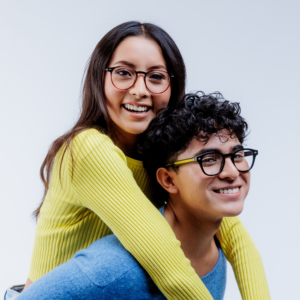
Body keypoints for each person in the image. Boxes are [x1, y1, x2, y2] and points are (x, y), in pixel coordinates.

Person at [18, 21, 269, 299]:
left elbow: (236, 239)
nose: (140, 90)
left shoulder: (165, 151)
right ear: (99, 79)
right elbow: (166, 260)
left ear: (173, 86)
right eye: (124, 73)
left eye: (156, 77)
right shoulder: (88, 148)